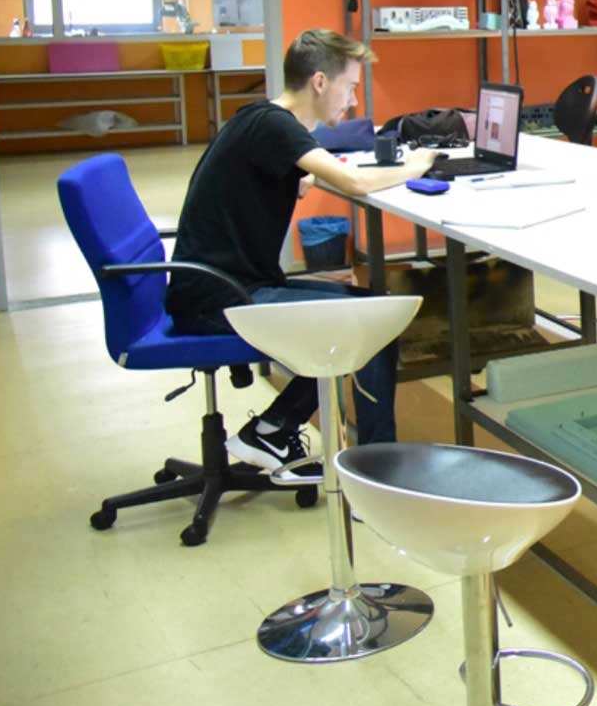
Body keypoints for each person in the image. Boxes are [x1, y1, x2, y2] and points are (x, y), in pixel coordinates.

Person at [166, 29, 438, 470]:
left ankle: (274, 429)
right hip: (220, 299)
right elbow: (355, 182)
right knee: (375, 321)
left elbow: (289, 170)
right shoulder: (274, 127)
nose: (353, 101)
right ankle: (376, 468)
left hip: (218, 286)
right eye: (350, 87)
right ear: (319, 82)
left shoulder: (261, 119)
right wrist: (415, 166)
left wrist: (303, 175)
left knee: (373, 312)